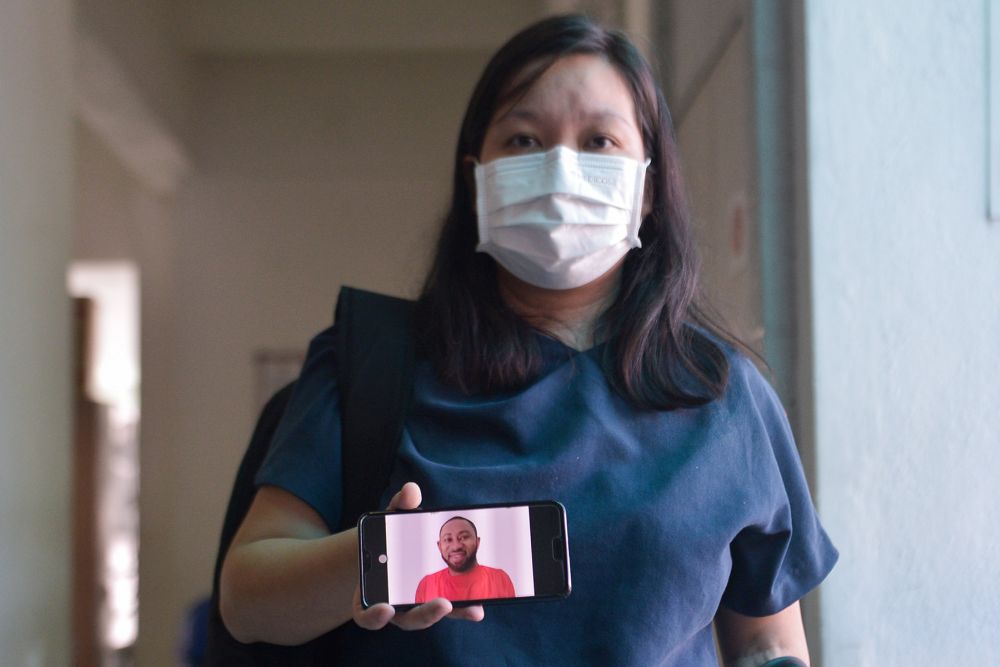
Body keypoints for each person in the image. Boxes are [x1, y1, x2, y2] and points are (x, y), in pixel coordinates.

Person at [219, 14, 837, 666]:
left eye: (599, 140)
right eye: (523, 139)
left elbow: (767, 636)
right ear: (475, 178)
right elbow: (246, 597)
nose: (560, 167)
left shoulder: (723, 394)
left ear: (649, 187)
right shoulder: (373, 364)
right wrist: (384, 559)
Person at [414, 517, 516, 604]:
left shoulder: (499, 578)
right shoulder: (427, 585)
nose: (456, 547)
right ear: (439, 546)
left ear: (477, 542)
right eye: (448, 539)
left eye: (463, 537)